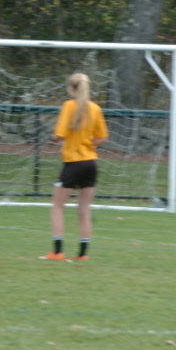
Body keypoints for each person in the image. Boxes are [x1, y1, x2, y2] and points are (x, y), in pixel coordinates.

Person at [42, 73, 108, 261]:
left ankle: (57, 252)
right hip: (90, 163)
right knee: (83, 210)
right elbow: (102, 138)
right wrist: (87, 142)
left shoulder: (68, 106)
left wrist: (53, 137)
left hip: (73, 163)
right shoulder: (95, 108)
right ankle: (82, 254)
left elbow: (59, 135)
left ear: (71, 88)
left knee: (57, 207)